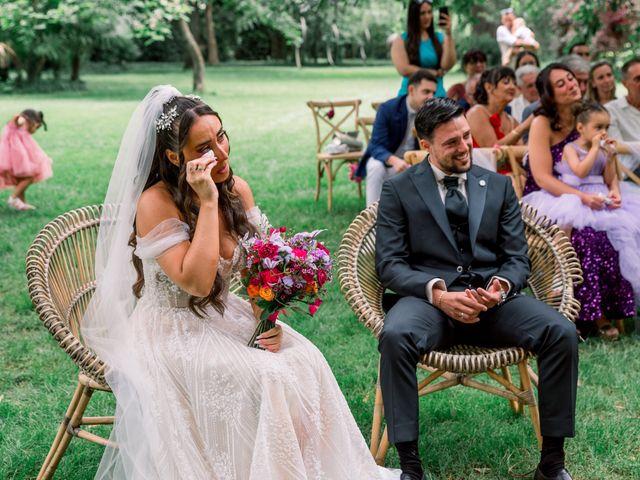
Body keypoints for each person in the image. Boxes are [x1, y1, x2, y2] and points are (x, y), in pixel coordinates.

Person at [81, 85, 399, 479]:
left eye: (221, 136)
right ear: (173, 156)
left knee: (305, 359)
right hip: (170, 331)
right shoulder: (155, 202)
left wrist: (267, 322)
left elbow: (256, 271)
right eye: (203, 148)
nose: (221, 152)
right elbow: (196, 283)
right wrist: (208, 201)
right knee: (268, 376)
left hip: (220, 315)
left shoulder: (239, 188)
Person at [376, 97, 578, 480]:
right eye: (451, 142)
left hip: (494, 305)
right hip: (429, 305)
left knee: (561, 332)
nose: (465, 147)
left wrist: (500, 287)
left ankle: (552, 464)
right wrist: (437, 293)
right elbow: (389, 265)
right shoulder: (398, 190)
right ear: (426, 146)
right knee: (396, 335)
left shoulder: (499, 186)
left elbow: (517, 258)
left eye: (466, 136)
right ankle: (410, 467)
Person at [523, 64, 635, 340]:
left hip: (595, 193)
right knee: (587, 238)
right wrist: (583, 197)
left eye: (571, 79)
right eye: (560, 83)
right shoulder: (542, 122)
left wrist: (615, 189)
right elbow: (542, 177)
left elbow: (608, 165)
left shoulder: (589, 115)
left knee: (620, 232)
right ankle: (579, 314)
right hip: (552, 198)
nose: (570, 84)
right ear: (548, 93)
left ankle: (610, 310)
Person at [356, 70, 437, 206]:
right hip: (388, 162)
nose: (431, 97)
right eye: (426, 92)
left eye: (433, 93)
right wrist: (394, 161)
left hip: (415, 163)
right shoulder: (388, 109)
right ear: (411, 90)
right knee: (375, 167)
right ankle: (372, 219)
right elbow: (375, 145)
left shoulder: (431, 112)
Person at [467, 67, 532, 168]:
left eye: (514, 83)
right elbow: (493, 152)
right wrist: (523, 127)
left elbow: (521, 155)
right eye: (506, 82)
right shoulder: (477, 113)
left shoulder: (511, 120)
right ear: (488, 87)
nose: (512, 87)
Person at [391, 0, 456, 98]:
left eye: (429, 12)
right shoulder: (401, 40)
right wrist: (432, 72)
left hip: (437, 97)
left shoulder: (440, 38)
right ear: (414, 15)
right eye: (422, 13)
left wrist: (449, 34)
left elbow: (446, 65)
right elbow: (403, 69)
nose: (427, 17)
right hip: (411, 97)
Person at [0, 109, 51, 210]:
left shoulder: (24, 129)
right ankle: (13, 198)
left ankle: (21, 203)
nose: (35, 130)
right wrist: (21, 118)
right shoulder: (20, 122)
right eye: (37, 126)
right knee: (29, 177)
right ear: (33, 121)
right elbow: (16, 121)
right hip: (15, 156)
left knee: (22, 179)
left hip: (19, 156)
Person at [605, 57, 640, 177]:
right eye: (638, 79)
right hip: (632, 171)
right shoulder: (611, 110)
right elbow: (615, 146)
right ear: (625, 83)